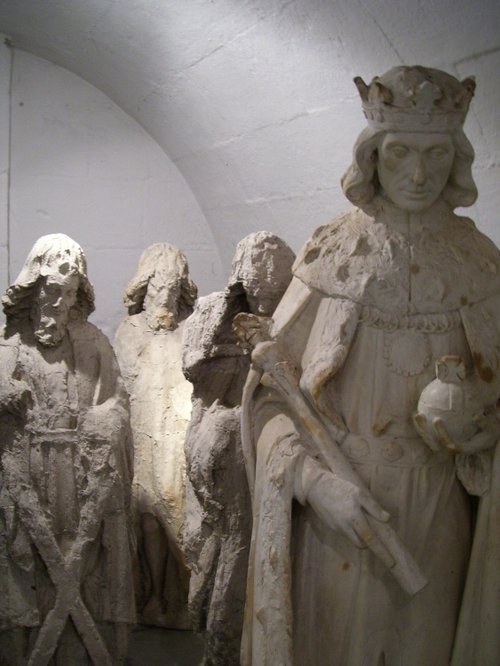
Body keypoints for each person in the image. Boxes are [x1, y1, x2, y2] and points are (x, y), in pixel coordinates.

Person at [240, 67, 500, 666]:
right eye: (400, 152)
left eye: (436, 154)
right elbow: (268, 397)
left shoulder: (480, 262)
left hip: (440, 514)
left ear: (457, 158)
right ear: (372, 156)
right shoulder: (334, 252)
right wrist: (313, 484)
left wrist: (479, 429)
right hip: (342, 515)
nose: (418, 174)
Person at [0, 234, 135, 665]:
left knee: (85, 556)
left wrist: (103, 419)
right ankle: (24, 651)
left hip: (81, 473)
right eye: (52, 291)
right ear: (35, 288)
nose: (59, 303)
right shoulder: (11, 343)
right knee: (24, 558)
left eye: (70, 293)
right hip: (28, 468)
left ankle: (82, 651)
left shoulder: (93, 340)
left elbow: (117, 399)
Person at [182, 231, 295, 665]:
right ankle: (220, 641)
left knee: (265, 541)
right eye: (258, 291)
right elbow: (196, 370)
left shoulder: (293, 314)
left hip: (273, 437)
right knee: (231, 538)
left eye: (275, 292)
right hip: (226, 435)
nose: (265, 299)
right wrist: (244, 351)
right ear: (242, 282)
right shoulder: (214, 311)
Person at [114, 243, 197, 629]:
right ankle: (149, 595)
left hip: (176, 437)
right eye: (157, 285)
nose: (164, 294)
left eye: (172, 286)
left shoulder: (189, 330)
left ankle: (177, 594)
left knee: (176, 510)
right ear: (144, 287)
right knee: (144, 514)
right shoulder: (128, 331)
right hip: (141, 434)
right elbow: (121, 388)